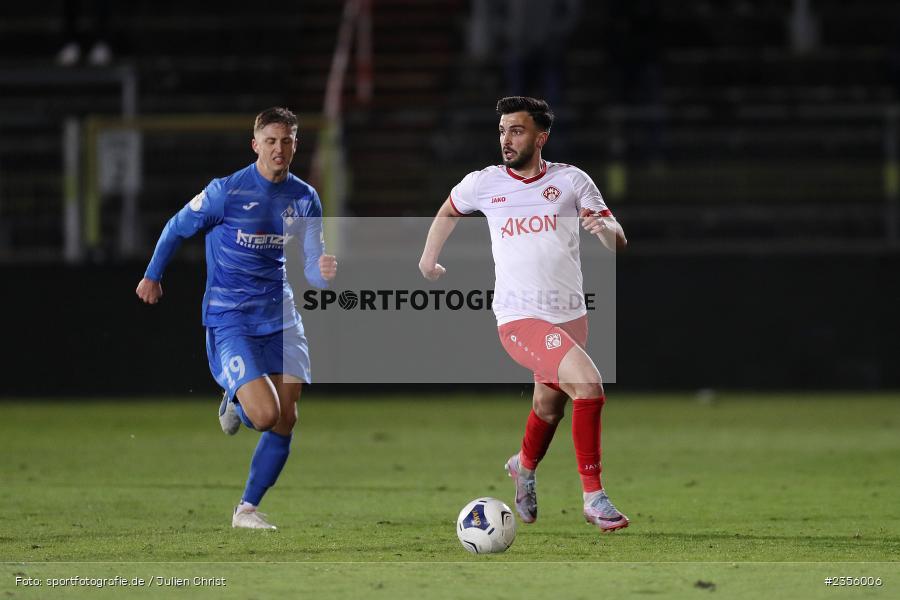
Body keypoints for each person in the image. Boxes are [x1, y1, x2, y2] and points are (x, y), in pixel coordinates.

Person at [418, 96, 629, 532]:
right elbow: (449, 209)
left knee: (549, 408)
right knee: (589, 388)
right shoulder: (485, 182)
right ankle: (594, 497)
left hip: (570, 315)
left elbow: (618, 238)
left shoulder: (571, 181)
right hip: (518, 319)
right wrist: (428, 258)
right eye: (502, 131)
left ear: (540, 136)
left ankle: (524, 467)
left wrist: (604, 229)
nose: (506, 139)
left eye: (516, 130)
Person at [136, 107, 337, 530]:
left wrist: (323, 272)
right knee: (264, 415)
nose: (279, 149)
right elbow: (175, 227)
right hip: (231, 316)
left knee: (288, 416)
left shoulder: (305, 197)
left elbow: (313, 267)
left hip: (280, 315)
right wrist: (153, 275)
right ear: (255, 145)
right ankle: (235, 397)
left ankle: (246, 509)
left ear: (296, 145)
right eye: (270, 141)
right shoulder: (225, 192)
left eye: (286, 141)